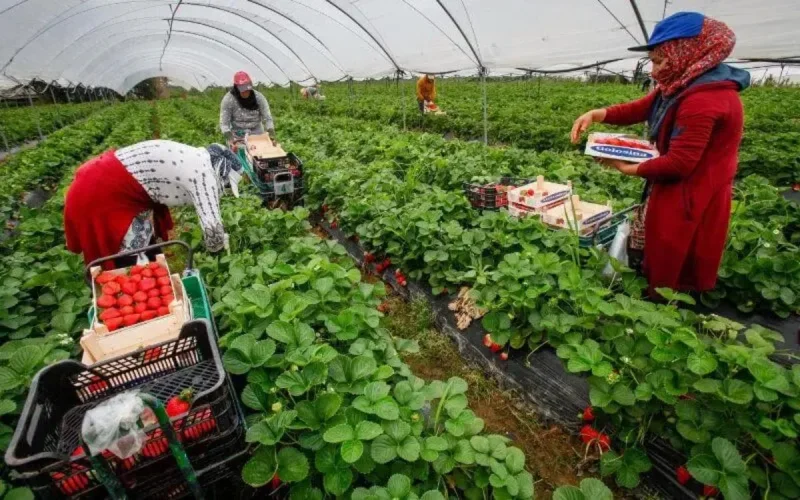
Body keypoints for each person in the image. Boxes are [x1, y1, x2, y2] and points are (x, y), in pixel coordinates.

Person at [570, 11, 750, 294]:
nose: (654, 71)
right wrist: (598, 114)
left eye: (658, 60)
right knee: (662, 243)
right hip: (677, 186)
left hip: (692, 191)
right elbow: (645, 106)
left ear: (684, 52)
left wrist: (627, 167)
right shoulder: (684, 84)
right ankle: (658, 293)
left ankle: (666, 309)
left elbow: (679, 163)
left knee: (675, 250)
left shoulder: (705, 99)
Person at [64, 140, 242, 268]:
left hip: (106, 179)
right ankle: (135, 289)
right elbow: (212, 229)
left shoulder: (198, 157)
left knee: (145, 242)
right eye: (227, 185)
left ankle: (151, 275)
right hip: (102, 192)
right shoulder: (204, 175)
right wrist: (222, 259)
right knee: (128, 252)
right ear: (222, 174)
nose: (224, 190)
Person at [219, 71, 275, 148]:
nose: (246, 92)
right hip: (238, 136)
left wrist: (271, 133)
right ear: (236, 88)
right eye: (243, 90)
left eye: (248, 89)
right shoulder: (228, 100)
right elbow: (224, 124)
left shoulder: (259, 98)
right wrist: (231, 139)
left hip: (258, 134)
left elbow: (268, 118)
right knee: (241, 156)